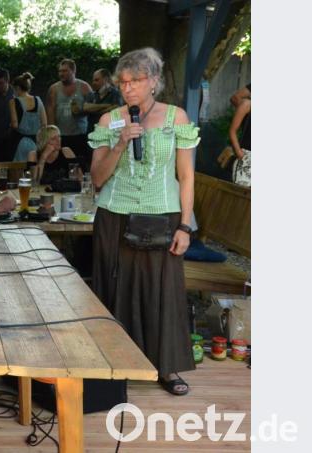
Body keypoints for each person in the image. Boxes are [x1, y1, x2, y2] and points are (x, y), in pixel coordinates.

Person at [88, 47, 198, 396]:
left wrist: (185, 226)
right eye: (122, 82)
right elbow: (98, 178)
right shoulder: (111, 121)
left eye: (135, 80)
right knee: (113, 290)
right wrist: (120, 143)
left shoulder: (175, 118)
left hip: (160, 215)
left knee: (161, 291)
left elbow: (186, 176)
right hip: (115, 216)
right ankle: (114, 365)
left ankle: (165, 368)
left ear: (153, 81)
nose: (127, 88)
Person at [46, 59, 94, 172]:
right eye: (60, 71)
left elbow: (93, 109)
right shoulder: (54, 89)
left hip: (80, 135)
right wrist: (52, 135)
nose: (61, 74)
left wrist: (80, 111)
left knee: (80, 167)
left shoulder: (84, 87)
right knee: (62, 168)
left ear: (73, 71)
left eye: (65, 71)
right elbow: (50, 111)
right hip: (61, 136)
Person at [9, 72, 47, 163]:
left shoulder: (13, 102)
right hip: (36, 142)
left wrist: (10, 125)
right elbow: (44, 124)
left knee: (18, 170)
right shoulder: (38, 100)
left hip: (20, 142)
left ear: (17, 88)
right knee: (33, 168)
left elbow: (15, 125)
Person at [83, 69, 124, 133]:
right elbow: (86, 108)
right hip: (92, 133)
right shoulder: (91, 94)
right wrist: (107, 106)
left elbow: (116, 109)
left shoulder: (116, 93)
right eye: (93, 80)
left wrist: (94, 110)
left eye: (97, 80)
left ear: (105, 79)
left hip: (109, 133)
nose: (93, 83)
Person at [228, 97, 251, 187]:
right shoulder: (247, 104)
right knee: (241, 194)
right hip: (247, 158)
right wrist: (240, 153)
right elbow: (232, 131)